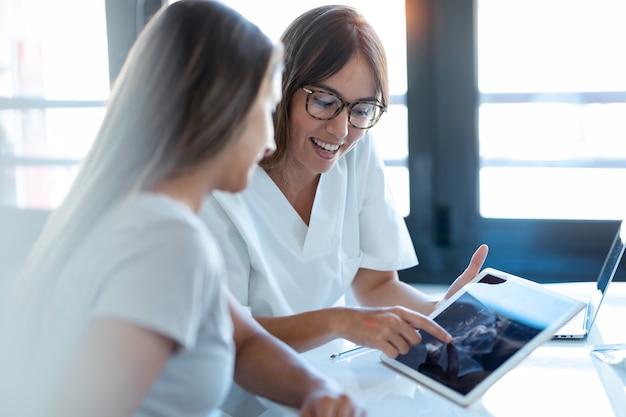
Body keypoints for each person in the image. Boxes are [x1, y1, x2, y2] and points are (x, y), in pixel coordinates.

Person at [0, 2, 381, 416]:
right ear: (221, 112)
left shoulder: (151, 221)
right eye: (264, 111)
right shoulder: (166, 243)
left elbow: (245, 340)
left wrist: (315, 392)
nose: (270, 141)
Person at [201, 4, 488, 358]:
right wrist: (338, 322)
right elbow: (225, 335)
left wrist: (444, 311)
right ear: (282, 89)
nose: (340, 130)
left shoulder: (357, 150)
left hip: (329, 382)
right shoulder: (222, 184)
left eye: (362, 109)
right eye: (323, 101)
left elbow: (376, 284)